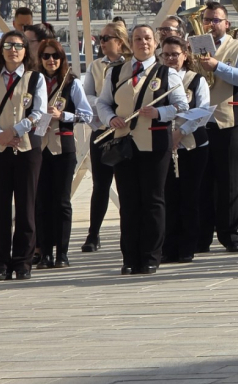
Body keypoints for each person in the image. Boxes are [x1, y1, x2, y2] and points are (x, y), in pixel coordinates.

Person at [96, 25, 189, 275]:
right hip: (124, 143)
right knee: (128, 202)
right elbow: (103, 103)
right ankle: (130, 257)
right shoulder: (115, 72)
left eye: (148, 38)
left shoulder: (167, 73)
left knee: (153, 200)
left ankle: (150, 256)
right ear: (130, 42)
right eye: (138, 39)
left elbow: (182, 105)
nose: (143, 43)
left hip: (155, 142)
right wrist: (110, 119)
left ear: (155, 42)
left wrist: (160, 112)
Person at [0, 30, 47, 281]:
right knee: (1, 207)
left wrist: (16, 130)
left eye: (18, 45)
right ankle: (1, 263)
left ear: (26, 51)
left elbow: (39, 112)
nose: (13, 50)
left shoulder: (35, 79)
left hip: (27, 148)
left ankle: (23, 262)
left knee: (26, 207)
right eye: (8, 45)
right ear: (1, 50)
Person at [196, 2, 238, 253]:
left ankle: (230, 234)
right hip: (200, 120)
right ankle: (202, 236)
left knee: (230, 181)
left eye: (216, 20)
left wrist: (217, 66)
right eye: (207, 19)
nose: (211, 24)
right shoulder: (196, 44)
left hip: (229, 120)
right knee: (203, 182)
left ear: (227, 23)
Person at [31, 39, 92, 270]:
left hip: (63, 147)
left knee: (61, 201)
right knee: (41, 202)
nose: (50, 60)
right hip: (38, 146)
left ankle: (62, 253)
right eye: (46, 56)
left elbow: (86, 115)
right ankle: (44, 252)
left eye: (55, 56)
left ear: (61, 58)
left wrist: (62, 115)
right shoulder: (33, 81)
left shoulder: (71, 83)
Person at [80, 22, 130, 252]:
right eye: (100, 38)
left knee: (126, 185)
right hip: (102, 129)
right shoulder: (96, 66)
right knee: (100, 184)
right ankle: (93, 234)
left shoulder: (130, 64)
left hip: (126, 130)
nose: (101, 43)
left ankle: (128, 232)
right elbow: (87, 95)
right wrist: (102, 106)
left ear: (119, 41)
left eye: (106, 38)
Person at [159, 36, 209, 264]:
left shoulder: (196, 80)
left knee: (189, 196)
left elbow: (202, 111)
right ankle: (169, 246)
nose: (170, 59)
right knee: (168, 196)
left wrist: (180, 132)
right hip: (163, 145)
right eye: (166, 54)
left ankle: (188, 246)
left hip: (191, 144)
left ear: (185, 55)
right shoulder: (156, 79)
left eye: (174, 54)